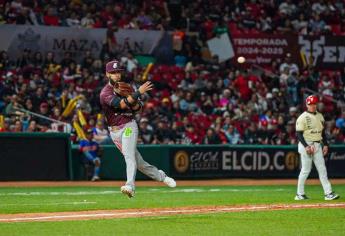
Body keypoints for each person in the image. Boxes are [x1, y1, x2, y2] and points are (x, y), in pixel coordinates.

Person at [99, 60, 176, 198]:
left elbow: (138, 108)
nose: (117, 75)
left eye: (118, 72)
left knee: (129, 156)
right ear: (107, 74)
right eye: (113, 72)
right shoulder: (105, 93)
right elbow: (121, 105)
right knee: (139, 163)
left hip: (129, 125)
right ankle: (161, 176)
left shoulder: (126, 87)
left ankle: (130, 185)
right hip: (115, 132)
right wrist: (137, 93)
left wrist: (133, 96)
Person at [295, 95, 339, 200]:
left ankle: (328, 193)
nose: (313, 106)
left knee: (322, 169)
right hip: (307, 144)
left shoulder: (320, 116)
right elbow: (299, 134)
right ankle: (299, 194)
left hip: (317, 144)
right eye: (310, 104)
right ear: (306, 105)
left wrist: (326, 144)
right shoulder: (302, 117)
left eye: (314, 104)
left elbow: (322, 132)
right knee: (306, 170)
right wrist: (306, 146)